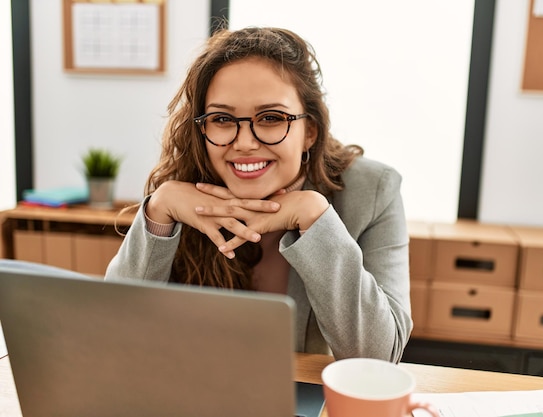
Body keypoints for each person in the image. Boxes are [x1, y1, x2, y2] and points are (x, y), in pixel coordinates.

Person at [105, 26, 412, 363]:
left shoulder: (374, 190)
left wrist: (315, 218)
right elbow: (114, 334)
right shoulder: (183, 187)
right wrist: (159, 211)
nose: (245, 142)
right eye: (222, 118)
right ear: (202, 129)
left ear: (310, 131)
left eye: (270, 118)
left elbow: (379, 358)